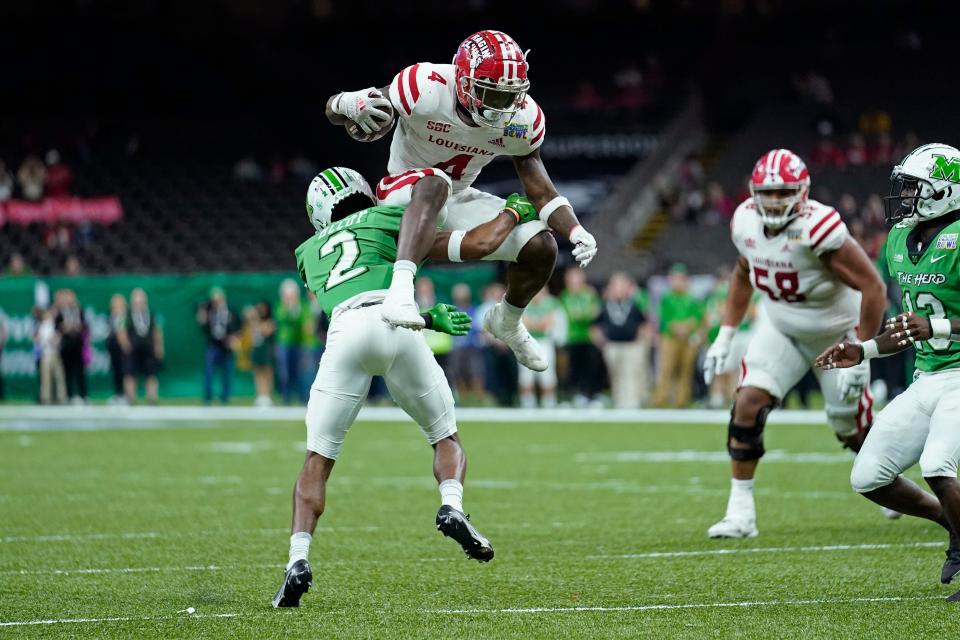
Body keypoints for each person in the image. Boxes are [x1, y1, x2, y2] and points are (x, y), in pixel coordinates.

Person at [273, 166, 539, 608]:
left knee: (317, 460)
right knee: (444, 436)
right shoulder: (387, 219)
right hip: (399, 325)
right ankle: (451, 504)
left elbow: (351, 287)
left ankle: (297, 560)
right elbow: (477, 244)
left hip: (345, 334)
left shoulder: (307, 252)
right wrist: (511, 213)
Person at [324, 30, 598, 374]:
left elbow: (540, 189)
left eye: (509, 96)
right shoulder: (425, 86)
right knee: (434, 183)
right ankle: (400, 290)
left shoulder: (522, 118)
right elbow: (345, 109)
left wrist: (575, 230)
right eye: (491, 94)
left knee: (540, 246)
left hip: (456, 195)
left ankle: (507, 321)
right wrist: (343, 103)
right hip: (402, 195)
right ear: (464, 81)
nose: (502, 107)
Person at [702, 149, 887, 539]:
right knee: (747, 403)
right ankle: (741, 513)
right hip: (781, 328)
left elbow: (873, 287)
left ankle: (887, 479)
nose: (772, 201)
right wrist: (727, 332)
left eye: (782, 192)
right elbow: (742, 272)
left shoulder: (819, 228)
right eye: (766, 193)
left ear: (802, 192)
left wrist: (862, 350)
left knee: (849, 427)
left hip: (837, 336)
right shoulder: (745, 222)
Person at [816, 143, 960, 598]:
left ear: (945, 191)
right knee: (868, 475)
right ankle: (951, 525)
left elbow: (927, 322)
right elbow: (908, 326)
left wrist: (936, 325)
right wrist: (862, 351)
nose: (906, 198)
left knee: (938, 463)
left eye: (915, 189)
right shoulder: (900, 239)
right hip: (929, 375)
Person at [592, 273, 647, 409]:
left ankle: (632, 402)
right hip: (612, 345)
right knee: (616, 375)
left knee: (630, 374)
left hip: (631, 345)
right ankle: (619, 401)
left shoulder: (634, 305)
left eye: (622, 286)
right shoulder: (605, 305)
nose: (619, 289)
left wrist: (640, 340)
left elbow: (644, 323)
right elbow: (595, 324)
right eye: (616, 286)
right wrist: (600, 340)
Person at [653, 264, 702, 408]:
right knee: (666, 368)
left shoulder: (691, 298)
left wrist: (687, 327)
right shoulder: (667, 298)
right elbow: (663, 317)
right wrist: (675, 327)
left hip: (688, 338)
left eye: (680, 279)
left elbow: (697, 317)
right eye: (674, 279)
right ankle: (661, 398)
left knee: (685, 369)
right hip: (669, 337)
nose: (677, 282)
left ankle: (682, 399)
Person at [559, 267, 602, 407]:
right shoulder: (565, 296)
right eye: (572, 279)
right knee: (572, 369)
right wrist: (585, 315)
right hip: (572, 338)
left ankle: (591, 396)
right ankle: (573, 396)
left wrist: (584, 315)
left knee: (591, 369)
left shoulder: (589, 294)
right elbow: (573, 315)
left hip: (588, 337)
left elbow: (595, 313)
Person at [518, 286, 562, 408]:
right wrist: (539, 323)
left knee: (547, 375)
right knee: (526, 376)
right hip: (526, 342)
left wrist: (536, 324)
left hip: (545, 342)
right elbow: (524, 323)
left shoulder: (552, 303)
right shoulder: (522, 302)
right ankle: (527, 404)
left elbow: (549, 323)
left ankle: (549, 403)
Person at [197, 287, 239, 405]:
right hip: (213, 344)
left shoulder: (231, 312)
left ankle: (225, 397)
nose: (216, 302)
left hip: (227, 346)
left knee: (227, 373)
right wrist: (203, 317)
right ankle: (207, 397)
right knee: (209, 372)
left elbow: (238, 327)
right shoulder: (209, 312)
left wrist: (233, 338)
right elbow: (204, 328)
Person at [449, 283, 487, 402]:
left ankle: (479, 399)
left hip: (472, 347)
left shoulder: (474, 310)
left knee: (476, 373)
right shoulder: (451, 311)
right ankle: (462, 399)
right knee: (457, 374)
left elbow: (479, 328)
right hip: (455, 347)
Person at [124, 288, 163, 404]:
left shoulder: (152, 314)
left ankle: (152, 399)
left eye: (141, 302)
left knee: (151, 375)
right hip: (133, 350)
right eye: (136, 302)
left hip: (148, 349)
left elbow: (157, 331)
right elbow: (121, 330)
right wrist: (126, 345)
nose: (138, 304)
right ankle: (130, 399)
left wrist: (158, 347)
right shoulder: (126, 315)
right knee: (130, 374)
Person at [275, 279, 309, 404]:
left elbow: (303, 321)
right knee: (284, 372)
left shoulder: (301, 306)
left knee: (298, 371)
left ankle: (300, 396)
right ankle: (285, 397)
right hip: (284, 343)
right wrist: (288, 307)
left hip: (298, 342)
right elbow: (282, 318)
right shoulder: (281, 306)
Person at [55, 289, 88, 404]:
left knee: (80, 371)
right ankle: (70, 396)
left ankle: (83, 396)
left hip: (78, 344)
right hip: (66, 345)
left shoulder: (79, 310)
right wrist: (64, 328)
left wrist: (77, 327)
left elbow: (85, 326)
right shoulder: (59, 312)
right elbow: (56, 328)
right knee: (67, 372)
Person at [251, 301, 276, 408]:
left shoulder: (271, 322)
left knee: (267, 373)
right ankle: (260, 395)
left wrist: (255, 321)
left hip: (267, 350)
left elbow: (266, 331)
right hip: (257, 349)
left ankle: (267, 395)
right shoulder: (254, 322)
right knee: (257, 373)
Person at [106, 293, 130, 404]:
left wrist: (125, 344)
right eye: (115, 303)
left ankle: (126, 395)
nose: (117, 306)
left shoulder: (127, 317)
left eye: (120, 303)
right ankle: (118, 394)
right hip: (113, 348)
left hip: (124, 349)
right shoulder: (110, 317)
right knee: (116, 372)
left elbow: (124, 334)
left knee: (125, 372)